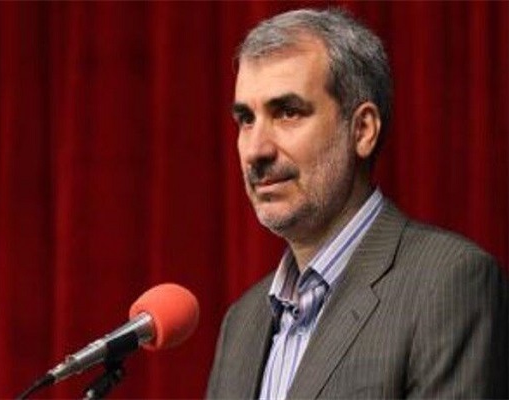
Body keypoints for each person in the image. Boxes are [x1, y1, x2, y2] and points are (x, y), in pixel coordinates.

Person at [206, 8, 508, 399]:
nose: (256, 150)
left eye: (288, 113)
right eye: (246, 119)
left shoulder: (447, 283)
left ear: (362, 130)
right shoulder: (241, 324)